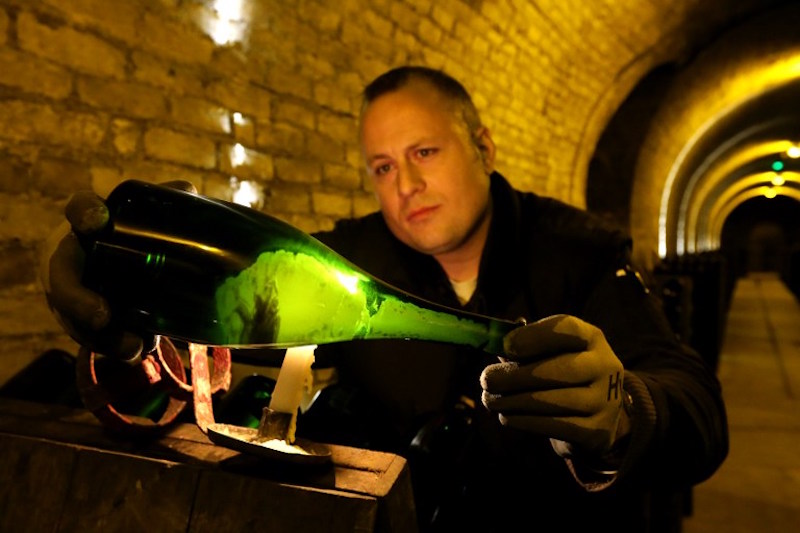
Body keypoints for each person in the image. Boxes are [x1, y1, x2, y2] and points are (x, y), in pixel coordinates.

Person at [42, 66, 728, 532]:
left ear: (483, 146)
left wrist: (624, 410)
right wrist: (121, 280)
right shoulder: (349, 262)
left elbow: (697, 408)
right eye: (382, 166)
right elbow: (234, 297)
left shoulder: (578, 252)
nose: (404, 183)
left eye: (424, 152)